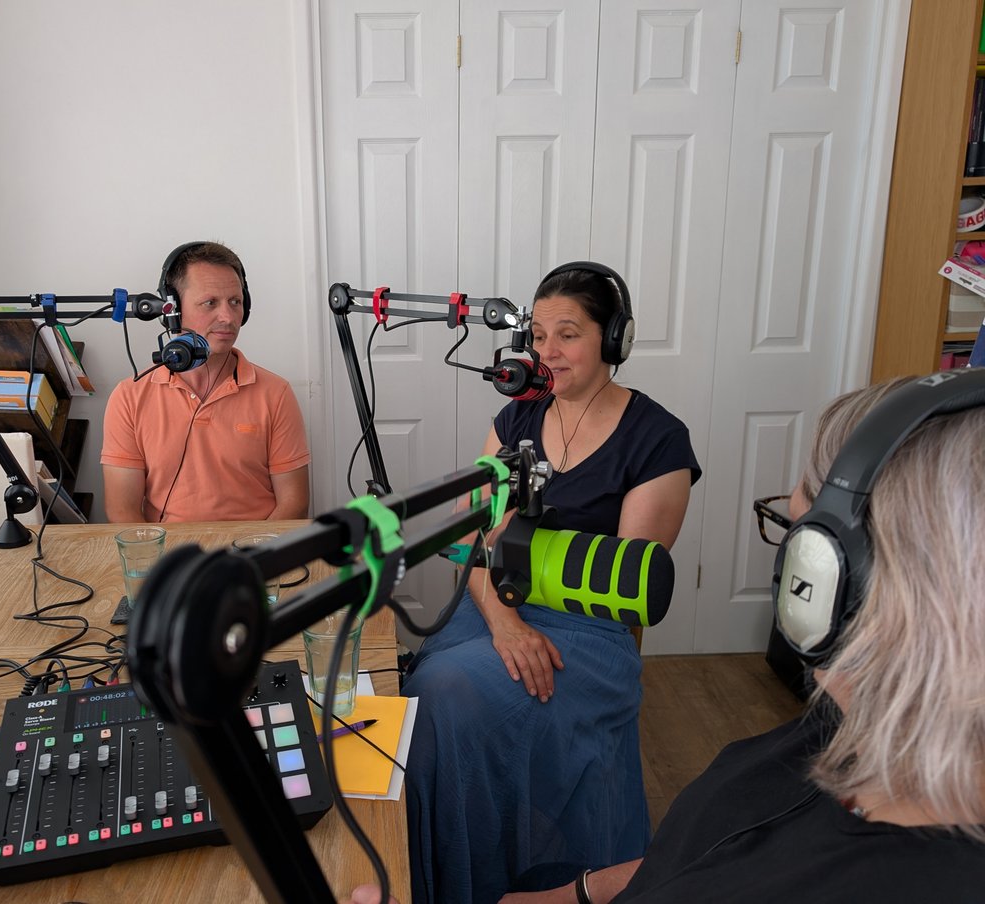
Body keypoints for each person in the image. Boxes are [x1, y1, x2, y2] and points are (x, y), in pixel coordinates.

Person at [482, 374, 985, 904]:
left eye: (794, 531)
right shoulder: (836, 734)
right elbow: (703, 855)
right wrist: (576, 894)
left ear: (834, 580)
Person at [400, 263, 702, 904]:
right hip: (493, 607)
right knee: (425, 696)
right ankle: (438, 882)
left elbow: (624, 582)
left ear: (612, 339)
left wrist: (512, 551)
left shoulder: (658, 440)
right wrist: (505, 621)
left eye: (568, 334)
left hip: (589, 632)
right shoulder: (516, 418)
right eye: (538, 336)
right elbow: (469, 542)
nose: (548, 352)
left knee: (446, 691)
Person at [101, 241, 310, 522]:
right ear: (173, 310)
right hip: (168, 548)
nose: (227, 317)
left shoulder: (276, 393)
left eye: (235, 302)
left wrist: (255, 550)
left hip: (255, 546)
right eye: (210, 303)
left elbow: (294, 504)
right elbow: (122, 510)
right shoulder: (129, 396)